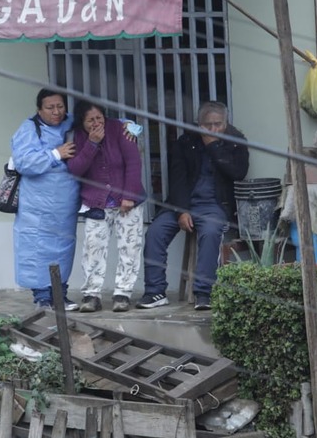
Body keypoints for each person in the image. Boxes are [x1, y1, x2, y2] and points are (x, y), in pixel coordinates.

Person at [138, 101, 249, 311]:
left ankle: (203, 293)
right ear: (199, 124)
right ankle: (155, 291)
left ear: (226, 123)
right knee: (155, 232)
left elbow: (238, 173)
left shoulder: (236, 142)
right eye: (208, 125)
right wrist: (182, 210)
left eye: (218, 124)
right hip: (182, 204)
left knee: (210, 232)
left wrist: (214, 146)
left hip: (215, 205)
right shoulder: (186, 141)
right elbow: (177, 178)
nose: (213, 129)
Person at [66, 100, 145, 313]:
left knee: (129, 247)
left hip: (127, 200)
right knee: (93, 248)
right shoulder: (77, 137)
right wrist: (91, 144)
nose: (96, 123)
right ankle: (91, 295)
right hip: (95, 202)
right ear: (81, 122)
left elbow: (134, 162)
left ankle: (123, 294)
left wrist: (128, 195)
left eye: (99, 118)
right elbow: (75, 169)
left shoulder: (120, 129)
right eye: (90, 120)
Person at [11, 88, 80, 310]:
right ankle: (42, 296)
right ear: (39, 109)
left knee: (63, 248)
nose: (56, 112)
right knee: (35, 250)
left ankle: (61, 295)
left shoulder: (72, 123)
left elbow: (100, 122)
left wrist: (128, 125)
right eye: (50, 107)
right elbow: (24, 163)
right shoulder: (29, 129)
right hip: (36, 207)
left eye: (60, 106)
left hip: (65, 204)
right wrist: (55, 154)